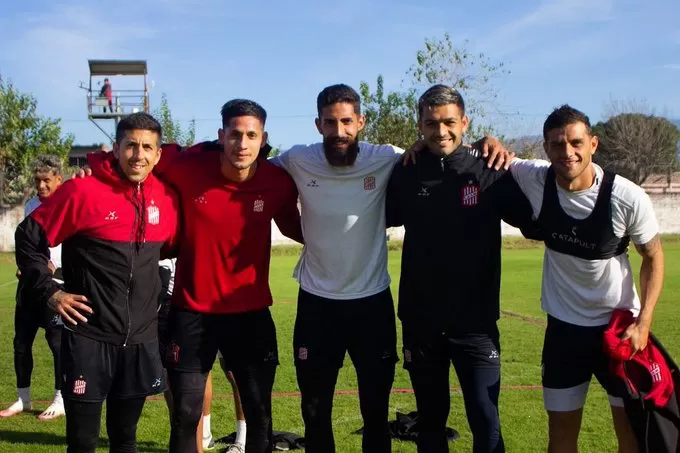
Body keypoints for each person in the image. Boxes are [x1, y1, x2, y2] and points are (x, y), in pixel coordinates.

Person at [270, 83, 513, 453]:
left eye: (347, 121)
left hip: (372, 305)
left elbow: (441, 143)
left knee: (375, 412)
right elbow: (246, 164)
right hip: (317, 305)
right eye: (330, 123)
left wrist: (487, 140)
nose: (340, 131)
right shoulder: (296, 159)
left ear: (362, 122)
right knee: (314, 411)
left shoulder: (387, 157)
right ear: (318, 124)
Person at [144, 99, 303, 453]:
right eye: (234, 134)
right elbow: (142, 158)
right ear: (221, 136)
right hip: (191, 312)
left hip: (250, 315)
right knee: (185, 414)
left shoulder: (277, 182)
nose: (242, 144)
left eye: (251, 135)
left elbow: (299, 229)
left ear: (263, 139)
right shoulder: (187, 167)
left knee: (260, 414)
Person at [385, 84, 538, 453]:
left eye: (449, 122)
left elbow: (533, 224)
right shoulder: (406, 170)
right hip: (421, 322)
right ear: (420, 125)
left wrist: (507, 153)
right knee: (431, 420)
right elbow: (382, 217)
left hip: (476, 324)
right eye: (431, 123)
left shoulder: (490, 168)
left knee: (485, 415)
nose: (441, 132)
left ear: (464, 121)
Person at [15, 112, 179, 453]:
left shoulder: (166, 197)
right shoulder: (82, 191)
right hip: (89, 338)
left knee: (125, 440)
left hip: (140, 341)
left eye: (148, 147)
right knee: (83, 442)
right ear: (116, 148)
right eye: (131, 145)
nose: (139, 154)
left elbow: (173, 251)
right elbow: (28, 238)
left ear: (159, 154)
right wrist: (51, 292)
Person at [509, 105, 664, 453]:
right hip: (564, 334)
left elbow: (653, 256)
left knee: (631, 436)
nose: (568, 153)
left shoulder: (627, 196)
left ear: (593, 144)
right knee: (560, 440)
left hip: (619, 332)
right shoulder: (535, 177)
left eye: (576, 143)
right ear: (546, 149)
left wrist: (644, 322)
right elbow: (493, 155)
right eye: (557, 145)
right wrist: (488, 141)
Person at [1, 155, 65, 421]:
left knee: (57, 342)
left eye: (46, 181)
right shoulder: (31, 205)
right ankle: (23, 399)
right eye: (37, 180)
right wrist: (26, 265)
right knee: (21, 342)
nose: (41, 186)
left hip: (58, 284)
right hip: (30, 284)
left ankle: (61, 400)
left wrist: (55, 267)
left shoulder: (69, 206)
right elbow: (28, 245)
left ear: (59, 180)